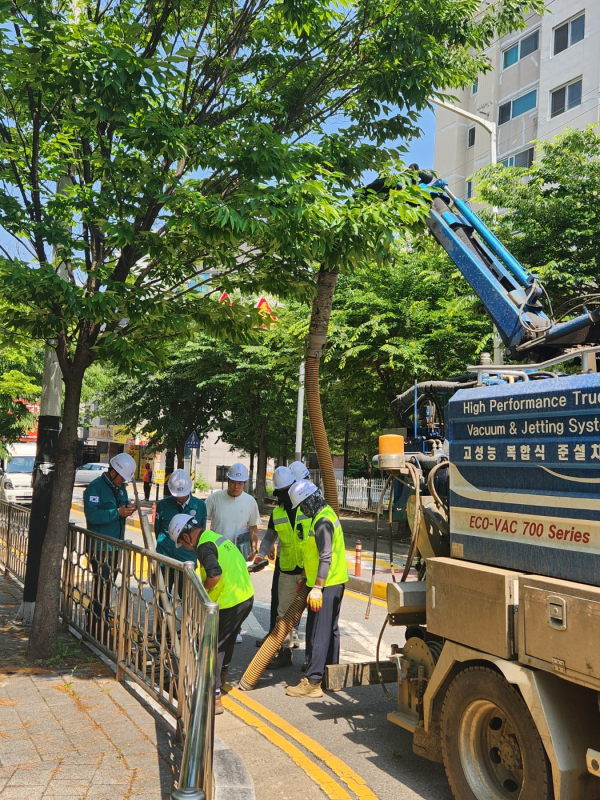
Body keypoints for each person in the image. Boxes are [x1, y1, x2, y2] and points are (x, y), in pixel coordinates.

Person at [169, 513, 255, 715]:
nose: (188, 548)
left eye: (184, 543)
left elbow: (214, 575)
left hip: (229, 601)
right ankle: (223, 675)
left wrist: (201, 592)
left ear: (186, 536)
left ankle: (214, 696)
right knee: (228, 639)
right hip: (245, 598)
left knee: (212, 646)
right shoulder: (216, 538)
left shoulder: (204, 547)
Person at [285, 480, 348, 698]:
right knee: (330, 629)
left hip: (326, 584)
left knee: (318, 632)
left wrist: (317, 588)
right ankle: (333, 677)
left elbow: (325, 556)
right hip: (334, 582)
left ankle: (313, 681)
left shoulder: (322, 522)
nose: (301, 510)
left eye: (302, 505)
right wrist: (308, 580)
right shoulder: (326, 513)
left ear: (311, 500)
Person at [255, 466, 311, 666]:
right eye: (280, 492)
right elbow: (270, 536)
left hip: (308, 570)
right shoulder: (277, 513)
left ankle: (311, 659)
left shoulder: (307, 506)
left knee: (313, 615)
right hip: (287, 570)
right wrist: (261, 554)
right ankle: (284, 654)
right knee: (283, 613)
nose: (283, 496)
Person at [83, 453, 137, 641]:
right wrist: (117, 512)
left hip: (115, 547)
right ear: (113, 472)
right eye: (122, 477)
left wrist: (128, 509)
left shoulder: (121, 489)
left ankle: (99, 621)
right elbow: (92, 516)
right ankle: (96, 627)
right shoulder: (94, 488)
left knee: (107, 586)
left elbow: (122, 508)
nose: (123, 481)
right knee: (101, 586)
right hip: (100, 547)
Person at [205, 462, 260, 643]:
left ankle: (235, 628)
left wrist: (254, 548)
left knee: (236, 592)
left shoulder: (250, 502)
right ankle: (213, 625)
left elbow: (253, 527)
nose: (236, 486)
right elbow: (202, 520)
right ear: (227, 480)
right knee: (217, 589)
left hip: (239, 555)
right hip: (217, 554)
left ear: (245, 483)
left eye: (240, 483)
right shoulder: (215, 498)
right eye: (233, 482)